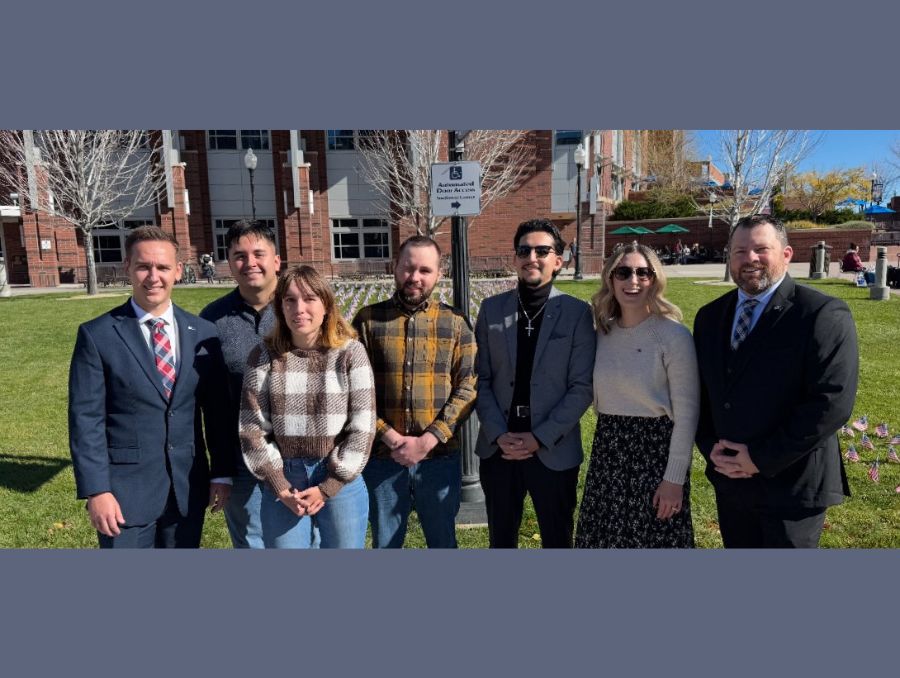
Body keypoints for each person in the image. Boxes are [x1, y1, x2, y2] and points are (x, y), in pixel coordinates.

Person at [693, 215, 859, 548]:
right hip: (731, 483)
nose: (749, 258)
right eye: (739, 251)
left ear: (786, 254)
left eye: (761, 249)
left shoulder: (821, 314)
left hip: (792, 487)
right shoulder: (710, 317)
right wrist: (711, 447)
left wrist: (759, 458)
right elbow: (701, 393)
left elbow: (831, 402)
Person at [68, 226, 235, 548]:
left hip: (187, 486)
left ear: (178, 271)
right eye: (144, 266)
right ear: (127, 268)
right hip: (123, 493)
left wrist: (221, 473)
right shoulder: (98, 335)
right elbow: (85, 420)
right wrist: (97, 490)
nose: (153, 276)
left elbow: (216, 412)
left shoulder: (202, 333)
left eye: (162, 267)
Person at [474, 218, 595, 548]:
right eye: (524, 250)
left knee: (557, 540)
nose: (532, 257)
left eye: (543, 250)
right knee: (501, 539)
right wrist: (499, 434)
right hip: (499, 449)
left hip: (553, 449)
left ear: (558, 260)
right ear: (514, 258)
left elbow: (582, 387)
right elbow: (481, 379)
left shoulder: (577, 313)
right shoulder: (491, 310)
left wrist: (539, 437)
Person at [352, 236, 477, 548]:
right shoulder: (368, 321)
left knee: (442, 542)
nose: (415, 277)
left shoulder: (456, 323)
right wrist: (389, 436)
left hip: (438, 458)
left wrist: (428, 439)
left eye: (425, 270)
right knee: (386, 543)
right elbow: (353, 388)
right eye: (408, 268)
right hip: (382, 458)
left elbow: (468, 385)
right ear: (395, 267)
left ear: (439, 274)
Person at [240, 265, 375, 548]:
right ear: (280, 307)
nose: (299, 308)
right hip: (284, 479)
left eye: (309, 298)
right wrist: (280, 485)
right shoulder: (264, 356)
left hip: (339, 477)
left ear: (326, 305)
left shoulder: (350, 353)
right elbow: (252, 428)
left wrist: (329, 486)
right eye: (289, 300)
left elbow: (363, 425)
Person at [575, 243, 698, 548]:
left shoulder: (673, 336)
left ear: (655, 279)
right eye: (624, 272)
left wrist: (674, 479)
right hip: (609, 450)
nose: (633, 280)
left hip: (654, 452)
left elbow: (687, 415)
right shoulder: (602, 334)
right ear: (610, 279)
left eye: (643, 272)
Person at [200, 220, 281, 549]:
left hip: (298, 458)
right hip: (240, 458)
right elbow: (211, 402)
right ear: (229, 263)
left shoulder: (304, 308)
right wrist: (219, 470)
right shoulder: (212, 319)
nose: (250, 263)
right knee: (251, 543)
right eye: (239, 256)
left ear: (277, 260)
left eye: (259, 254)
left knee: (303, 541)